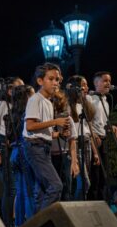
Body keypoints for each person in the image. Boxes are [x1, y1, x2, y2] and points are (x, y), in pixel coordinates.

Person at [23, 62, 78, 213]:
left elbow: (43, 130)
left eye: (58, 80)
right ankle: (41, 223)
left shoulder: (48, 102)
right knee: (56, 186)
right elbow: (30, 126)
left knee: (41, 192)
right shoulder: (36, 99)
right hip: (35, 147)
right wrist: (55, 121)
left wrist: (58, 134)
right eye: (51, 79)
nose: (56, 83)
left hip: (43, 147)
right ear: (40, 81)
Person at [0, 76, 23, 227]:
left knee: (15, 188)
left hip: (14, 147)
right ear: (9, 90)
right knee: (10, 187)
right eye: (18, 87)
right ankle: (7, 225)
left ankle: (14, 222)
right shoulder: (2, 105)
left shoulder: (19, 106)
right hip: (3, 148)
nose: (22, 89)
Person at [66, 75, 100, 200]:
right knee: (84, 183)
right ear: (75, 87)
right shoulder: (69, 106)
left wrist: (95, 152)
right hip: (76, 143)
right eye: (83, 85)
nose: (86, 87)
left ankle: (82, 206)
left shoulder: (84, 104)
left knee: (86, 183)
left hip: (86, 143)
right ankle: (76, 209)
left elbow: (89, 131)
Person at [6, 84, 35, 227]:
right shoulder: (27, 115)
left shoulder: (11, 113)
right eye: (32, 95)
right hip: (24, 152)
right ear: (26, 97)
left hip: (14, 153)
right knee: (29, 193)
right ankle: (31, 226)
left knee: (20, 192)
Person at [89, 71, 117, 200]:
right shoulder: (90, 99)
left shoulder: (106, 101)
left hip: (104, 140)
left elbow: (103, 123)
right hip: (95, 141)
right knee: (94, 177)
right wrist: (93, 134)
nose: (109, 83)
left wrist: (111, 127)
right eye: (105, 80)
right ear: (96, 83)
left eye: (109, 80)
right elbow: (87, 122)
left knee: (104, 176)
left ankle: (102, 205)